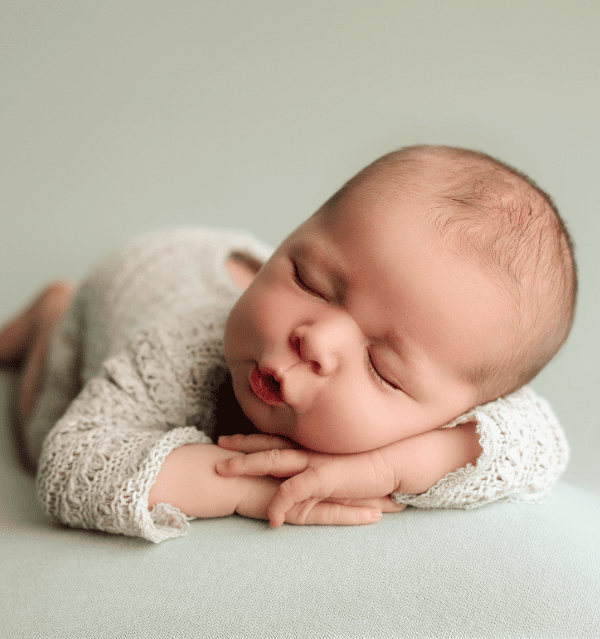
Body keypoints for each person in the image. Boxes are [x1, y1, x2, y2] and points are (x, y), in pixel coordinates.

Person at [0, 145, 576, 542]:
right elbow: (71, 465)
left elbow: (541, 444)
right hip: (131, 285)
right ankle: (52, 314)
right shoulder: (174, 355)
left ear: (454, 409)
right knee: (37, 429)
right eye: (308, 280)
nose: (315, 339)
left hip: (225, 260)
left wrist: (390, 466)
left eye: (383, 369)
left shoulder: (447, 377)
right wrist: (246, 486)